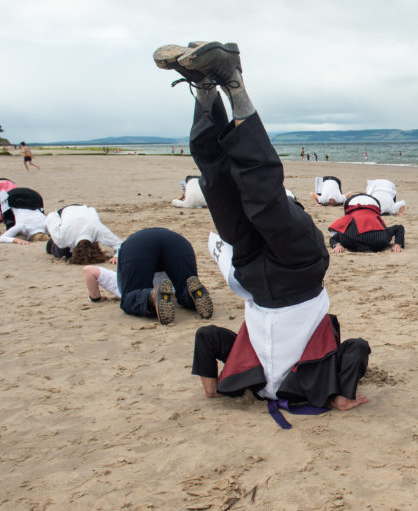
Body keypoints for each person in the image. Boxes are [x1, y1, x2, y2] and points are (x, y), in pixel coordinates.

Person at [153, 40, 370, 412]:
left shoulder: (251, 380)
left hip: (256, 276)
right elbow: (357, 347)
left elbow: (207, 337)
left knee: (217, 187)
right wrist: (341, 397)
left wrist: (211, 388)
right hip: (300, 271)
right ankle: (233, 82)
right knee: (263, 197)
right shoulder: (309, 386)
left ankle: (205, 87)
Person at [114, 227, 213, 324]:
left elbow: (122, 287)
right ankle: (191, 294)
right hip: (178, 243)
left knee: (130, 297)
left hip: (136, 246)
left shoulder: (128, 247)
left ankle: (151, 296)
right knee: (185, 285)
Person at [45, 204, 123, 264]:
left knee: (61, 251)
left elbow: (121, 245)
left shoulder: (98, 229)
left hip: (85, 210)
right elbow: (52, 216)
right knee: (60, 251)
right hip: (65, 212)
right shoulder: (62, 238)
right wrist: (52, 232)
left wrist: (117, 256)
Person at [328, 194, 404, 253]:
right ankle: (398, 245)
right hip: (379, 242)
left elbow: (333, 227)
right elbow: (399, 228)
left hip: (353, 242)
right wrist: (398, 243)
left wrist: (337, 244)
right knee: (397, 228)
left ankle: (337, 245)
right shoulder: (376, 215)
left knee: (337, 236)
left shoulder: (350, 215)